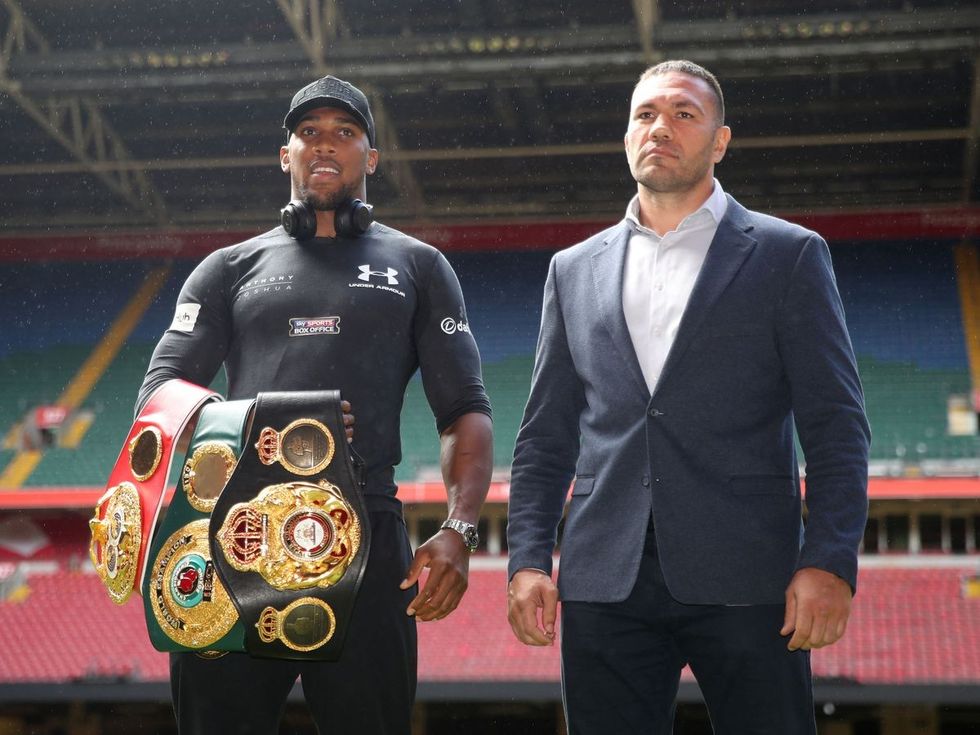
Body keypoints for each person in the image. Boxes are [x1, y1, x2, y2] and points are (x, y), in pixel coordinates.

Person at [506, 60, 870, 734]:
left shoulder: (789, 255)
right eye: (645, 115)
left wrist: (829, 559)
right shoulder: (573, 268)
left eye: (683, 114)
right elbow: (544, 436)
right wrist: (527, 557)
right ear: (625, 137)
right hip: (602, 577)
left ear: (720, 140)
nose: (660, 128)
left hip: (748, 575)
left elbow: (837, 424)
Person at [137, 75, 493, 735]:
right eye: (308, 133)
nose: (324, 144)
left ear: (371, 158)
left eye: (345, 132)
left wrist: (460, 528)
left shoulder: (418, 266)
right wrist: (269, 425)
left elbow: (465, 408)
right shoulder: (227, 268)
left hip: (368, 534)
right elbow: (160, 392)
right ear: (285, 155)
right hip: (234, 531)